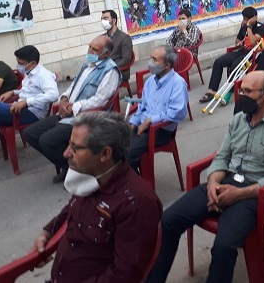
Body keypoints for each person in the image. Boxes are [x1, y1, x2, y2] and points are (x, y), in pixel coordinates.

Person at [146, 71, 264, 283]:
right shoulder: (237, 121)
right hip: (224, 182)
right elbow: (222, 157)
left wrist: (238, 194)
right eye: (241, 90)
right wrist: (212, 184)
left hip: (255, 195)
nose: (241, 96)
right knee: (167, 222)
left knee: (224, 247)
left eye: (248, 91)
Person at [30, 112, 162, 283]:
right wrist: (47, 232)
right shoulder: (91, 176)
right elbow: (72, 208)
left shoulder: (135, 204)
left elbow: (125, 275)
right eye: (69, 144)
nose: (66, 153)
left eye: (75, 148)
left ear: (105, 153)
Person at [23, 35, 121, 183]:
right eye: (89, 47)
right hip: (68, 112)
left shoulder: (110, 71)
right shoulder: (87, 65)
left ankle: (76, 171)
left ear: (106, 53)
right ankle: (69, 167)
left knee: (47, 140)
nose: (90, 51)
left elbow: (100, 100)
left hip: (86, 118)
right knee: (30, 133)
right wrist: (63, 99)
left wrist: (73, 107)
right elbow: (73, 87)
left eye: (95, 50)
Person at [0, 45, 59, 184]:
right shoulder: (30, 73)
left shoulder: (43, 75)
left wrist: (26, 102)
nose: (18, 66)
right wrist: (14, 92)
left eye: (21, 63)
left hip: (31, 113)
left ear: (33, 63)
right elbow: (28, 91)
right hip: (18, 108)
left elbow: (53, 94)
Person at [127, 47, 188, 172]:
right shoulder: (150, 81)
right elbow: (142, 105)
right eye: (151, 58)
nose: (150, 62)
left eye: (154, 60)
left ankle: (134, 182)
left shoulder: (178, 84)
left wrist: (150, 121)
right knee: (114, 144)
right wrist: (133, 122)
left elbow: (177, 112)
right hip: (142, 125)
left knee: (128, 153)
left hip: (161, 130)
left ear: (166, 65)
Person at [200, 7, 264, 103]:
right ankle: (212, 90)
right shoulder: (244, 26)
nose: (244, 21)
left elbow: (253, 41)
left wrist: (248, 27)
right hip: (242, 51)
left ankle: (229, 92)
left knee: (235, 65)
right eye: (244, 18)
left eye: (246, 19)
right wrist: (239, 42)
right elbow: (237, 39)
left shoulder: (261, 27)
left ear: (254, 18)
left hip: (254, 54)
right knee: (218, 62)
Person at [101, 9, 133, 81]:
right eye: (102, 19)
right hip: (103, 72)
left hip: (118, 72)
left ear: (114, 21)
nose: (103, 21)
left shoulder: (124, 38)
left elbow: (126, 59)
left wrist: (110, 67)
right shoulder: (102, 38)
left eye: (105, 18)